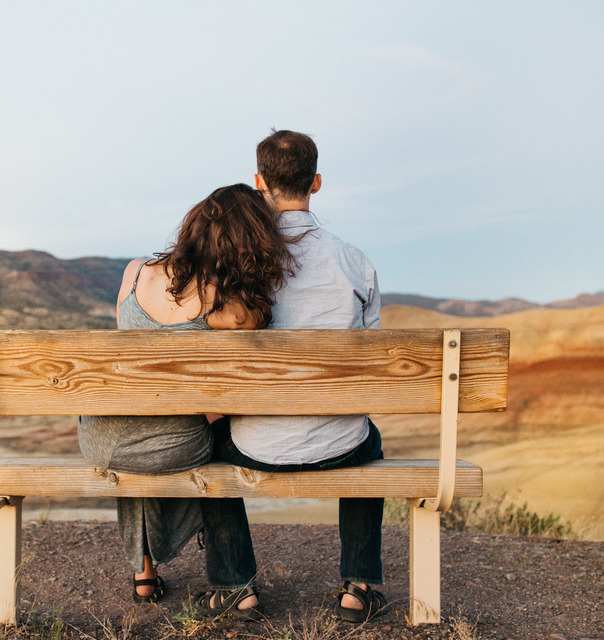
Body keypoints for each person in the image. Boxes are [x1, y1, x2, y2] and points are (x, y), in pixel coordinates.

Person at [194, 130, 385, 623]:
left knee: (210, 444)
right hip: (342, 442)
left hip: (257, 444)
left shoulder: (236, 263)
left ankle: (236, 586)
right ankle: (358, 586)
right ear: (315, 183)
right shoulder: (355, 262)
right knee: (372, 438)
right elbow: (370, 367)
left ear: (260, 184)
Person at [77, 183, 296, 605]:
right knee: (222, 439)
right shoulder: (234, 307)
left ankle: (144, 575)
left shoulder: (135, 272)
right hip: (174, 446)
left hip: (100, 442)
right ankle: (236, 586)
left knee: (135, 424)